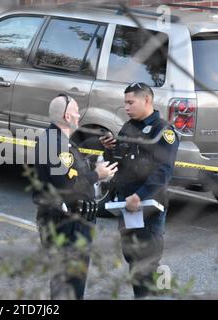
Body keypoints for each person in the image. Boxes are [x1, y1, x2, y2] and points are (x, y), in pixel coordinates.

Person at [33, 94, 118, 299]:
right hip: (68, 224)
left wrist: (98, 148)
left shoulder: (58, 140)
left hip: (67, 222)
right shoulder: (55, 144)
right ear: (67, 116)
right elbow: (67, 186)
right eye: (77, 111)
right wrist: (99, 174)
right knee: (70, 283)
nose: (80, 115)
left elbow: (72, 169)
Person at [100, 82, 179, 298]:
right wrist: (110, 150)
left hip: (148, 206)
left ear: (147, 100)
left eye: (130, 102)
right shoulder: (128, 127)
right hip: (127, 205)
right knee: (133, 258)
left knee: (148, 260)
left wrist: (139, 195)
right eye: (125, 102)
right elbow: (120, 162)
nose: (126, 107)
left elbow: (163, 171)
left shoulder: (163, 131)